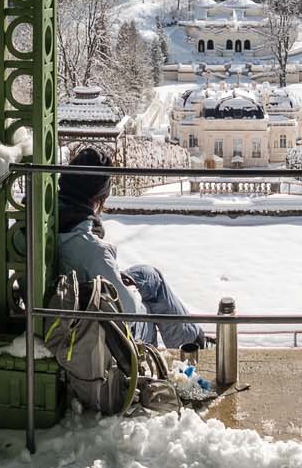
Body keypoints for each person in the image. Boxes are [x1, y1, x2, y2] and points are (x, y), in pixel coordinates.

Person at [55, 145, 203, 355]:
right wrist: (133, 292)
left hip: (79, 294)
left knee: (150, 276)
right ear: (97, 198)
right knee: (150, 309)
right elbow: (129, 311)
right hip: (103, 332)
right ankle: (192, 346)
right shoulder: (90, 247)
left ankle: (193, 337)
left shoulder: (52, 220)